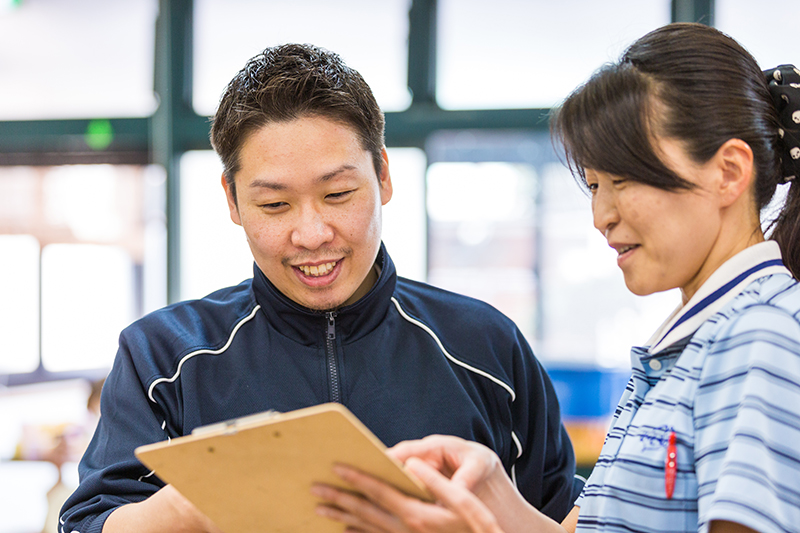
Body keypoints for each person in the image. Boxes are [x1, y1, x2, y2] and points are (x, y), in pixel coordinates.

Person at [59, 43, 578, 532]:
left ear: (384, 177)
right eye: (274, 205)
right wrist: (192, 506)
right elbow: (87, 522)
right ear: (233, 201)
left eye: (338, 193)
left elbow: (565, 515)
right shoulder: (162, 354)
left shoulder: (483, 342)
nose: (311, 235)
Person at [312, 22, 800, 533]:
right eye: (594, 185)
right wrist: (494, 496)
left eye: (626, 179)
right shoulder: (695, 342)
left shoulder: (760, 336)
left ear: (728, 172)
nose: (602, 215)